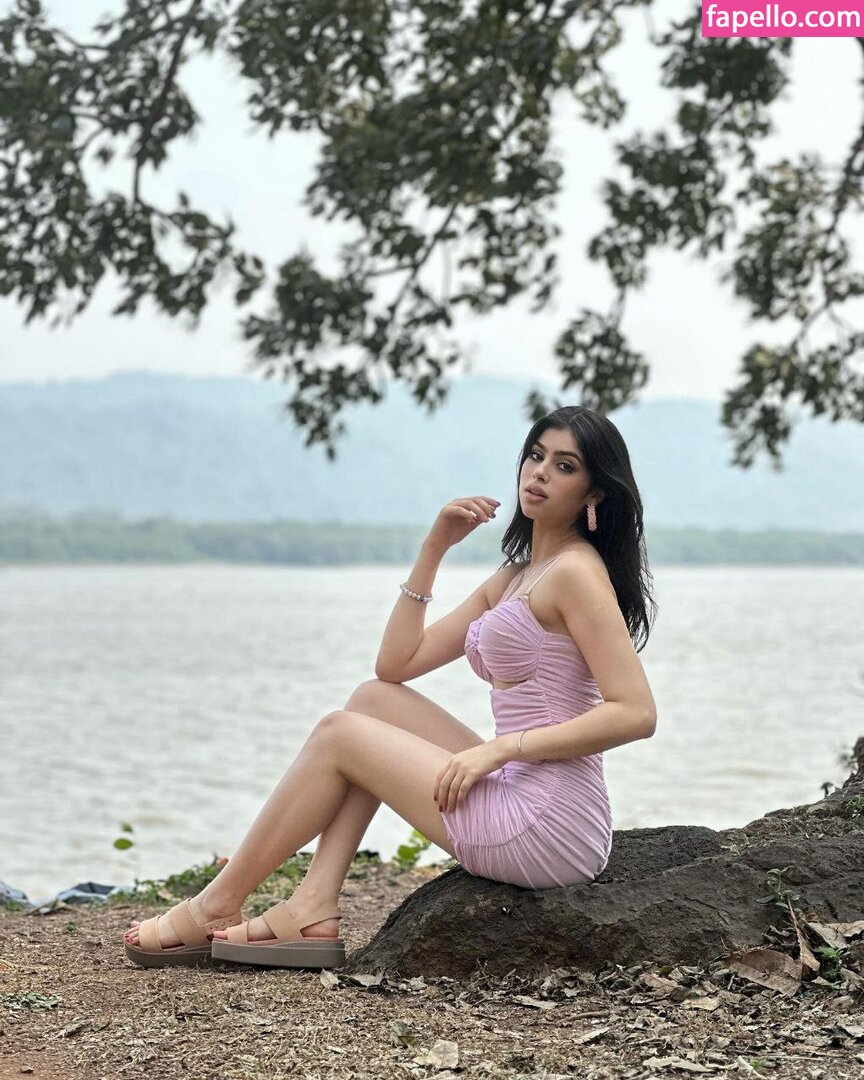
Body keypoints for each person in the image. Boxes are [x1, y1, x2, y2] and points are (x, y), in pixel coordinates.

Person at [123, 404, 658, 969]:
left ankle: (216, 904)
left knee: (340, 734)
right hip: (520, 785)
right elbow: (396, 664)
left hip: (549, 822)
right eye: (535, 455)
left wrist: (502, 748)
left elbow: (636, 712)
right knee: (370, 702)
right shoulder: (517, 576)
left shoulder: (576, 572)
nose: (540, 472)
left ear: (594, 494)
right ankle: (313, 903)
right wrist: (434, 547)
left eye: (565, 465)